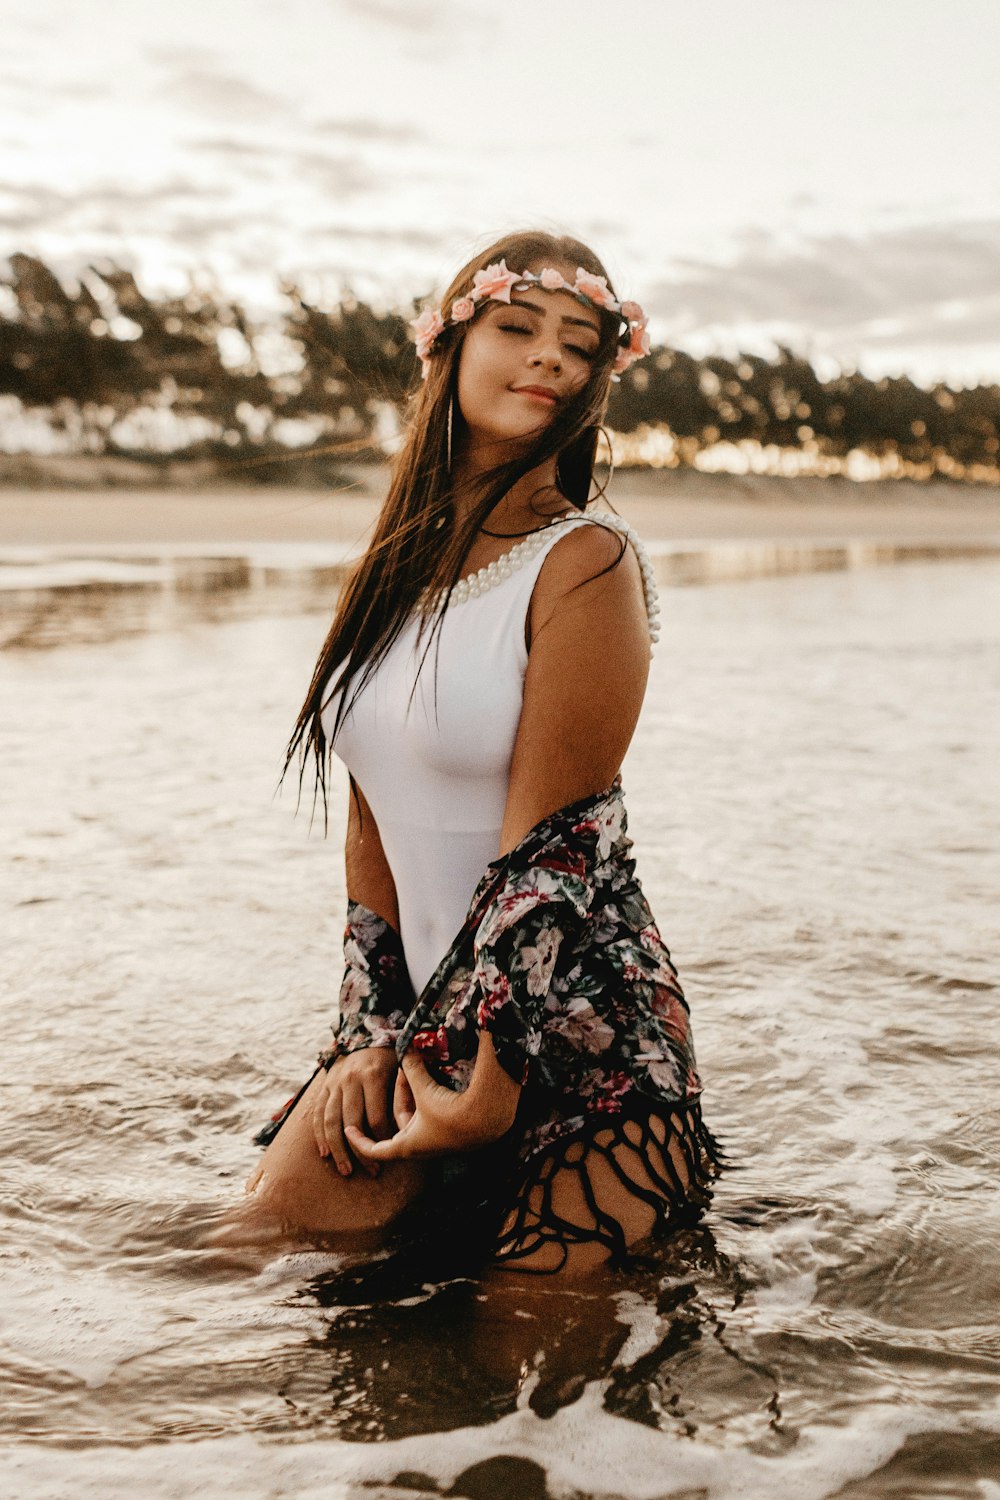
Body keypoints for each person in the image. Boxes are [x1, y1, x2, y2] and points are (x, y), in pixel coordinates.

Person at [232, 228, 722, 1277]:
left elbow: (556, 847)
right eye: (516, 327)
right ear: (447, 347)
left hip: (580, 1041)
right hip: (420, 1031)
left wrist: (491, 1061)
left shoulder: (586, 562)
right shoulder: (392, 571)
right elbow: (369, 818)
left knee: (525, 1363)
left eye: (579, 344)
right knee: (237, 1269)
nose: (548, 356)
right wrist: (368, 1032)